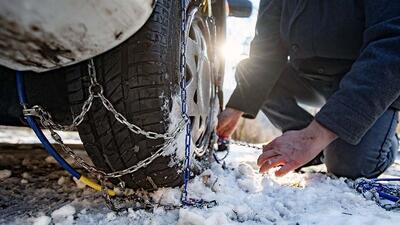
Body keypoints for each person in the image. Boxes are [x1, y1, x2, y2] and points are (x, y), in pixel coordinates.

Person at [217, 0, 400, 179]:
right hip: (308, 78)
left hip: (366, 82)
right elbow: (267, 50)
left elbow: (392, 47)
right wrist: (238, 105)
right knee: (250, 72)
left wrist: (316, 135)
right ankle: (307, 141)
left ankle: (384, 138)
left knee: (349, 165)